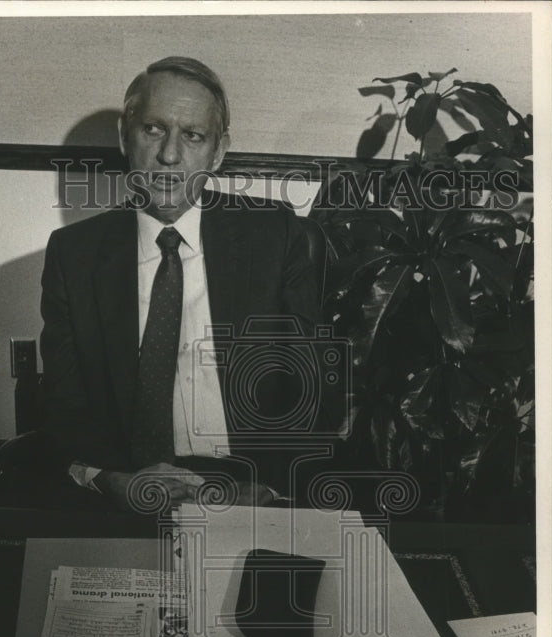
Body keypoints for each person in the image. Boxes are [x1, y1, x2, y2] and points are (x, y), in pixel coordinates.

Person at [39, 56, 336, 513]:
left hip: (248, 484)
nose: (170, 156)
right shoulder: (73, 254)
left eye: (193, 136)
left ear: (217, 152)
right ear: (125, 136)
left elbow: (311, 386)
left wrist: (269, 485)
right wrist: (112, 480)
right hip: (128, 482)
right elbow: (65, 404)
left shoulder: (275, 236)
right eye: (153, 129)